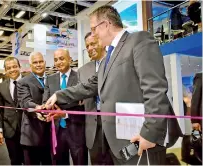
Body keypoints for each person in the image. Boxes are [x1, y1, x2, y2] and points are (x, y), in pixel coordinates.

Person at [45, 5, 182, 165]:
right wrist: (58, 95)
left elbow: (155, 89)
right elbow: (88, 87)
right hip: (118, 143)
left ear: (105, 24)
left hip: (142, 140)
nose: (93, 35)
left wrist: (150, 133)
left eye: (94, 29)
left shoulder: (139, 40)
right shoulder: (106, 61)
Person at [43, 49, 88, 165]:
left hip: (76, 129)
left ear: (70, 59)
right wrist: (46, 109)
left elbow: (85, 106)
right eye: (56, 60)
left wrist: (65, 113)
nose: (58, 62)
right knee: (58, 162)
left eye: (62, 58)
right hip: (56, 131)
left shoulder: (80, 77)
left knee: (80, 162)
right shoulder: (50, 79)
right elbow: (45, 101)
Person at [78, 32, 113, 165]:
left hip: (113, 121)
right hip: (93, 124)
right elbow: (79, 94)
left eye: (93, 44)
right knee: (96, 161)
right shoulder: (82, 71)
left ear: (102, 43)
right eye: (87, 46)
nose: (90, 48)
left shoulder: (114, 63)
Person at [17, 52, 52, 165]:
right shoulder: (23, 82)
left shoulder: (53, 80)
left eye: (40, 61)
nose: (38, 65)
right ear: (30, 65)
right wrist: (38, 108)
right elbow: (25, 101)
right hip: (32, 134)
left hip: (51, 134)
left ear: (45, 63)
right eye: (35, 62)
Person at [0, 57, 24, 165]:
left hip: (27, 129)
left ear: (19, 67)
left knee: (29, 160)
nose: (12, 70)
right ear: (5, 70)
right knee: (14, 161)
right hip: (9, 130)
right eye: (9, 68)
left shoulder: (29, 81)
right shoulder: (1, 86)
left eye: (14, 66)